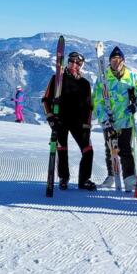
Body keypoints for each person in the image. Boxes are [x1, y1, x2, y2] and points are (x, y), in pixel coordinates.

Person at [93, 46, 137, 191]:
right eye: (113, 60)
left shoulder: (131, 77)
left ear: (123, 61)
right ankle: (111, 176)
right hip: (109, 120)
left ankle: (129, 179)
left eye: (119, 60)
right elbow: (97, 100)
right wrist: (104, 119)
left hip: (125, 120)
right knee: (110, 149)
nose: (116, 62)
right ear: (109, 61)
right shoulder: (103, 78)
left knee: (125, 149)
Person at [42, 51, 96, 191]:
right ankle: (63, 177)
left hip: (78, 122)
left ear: (81, 65)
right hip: (60, 120)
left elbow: (89, 107)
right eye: (71, 61)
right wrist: (50, 117)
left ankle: (84, 180)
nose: (74, 64)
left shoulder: (85, 84)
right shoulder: (57, 78)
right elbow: (46, 99)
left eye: (77, 63)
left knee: (88, 150)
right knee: (62, 149)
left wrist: (87, 125)